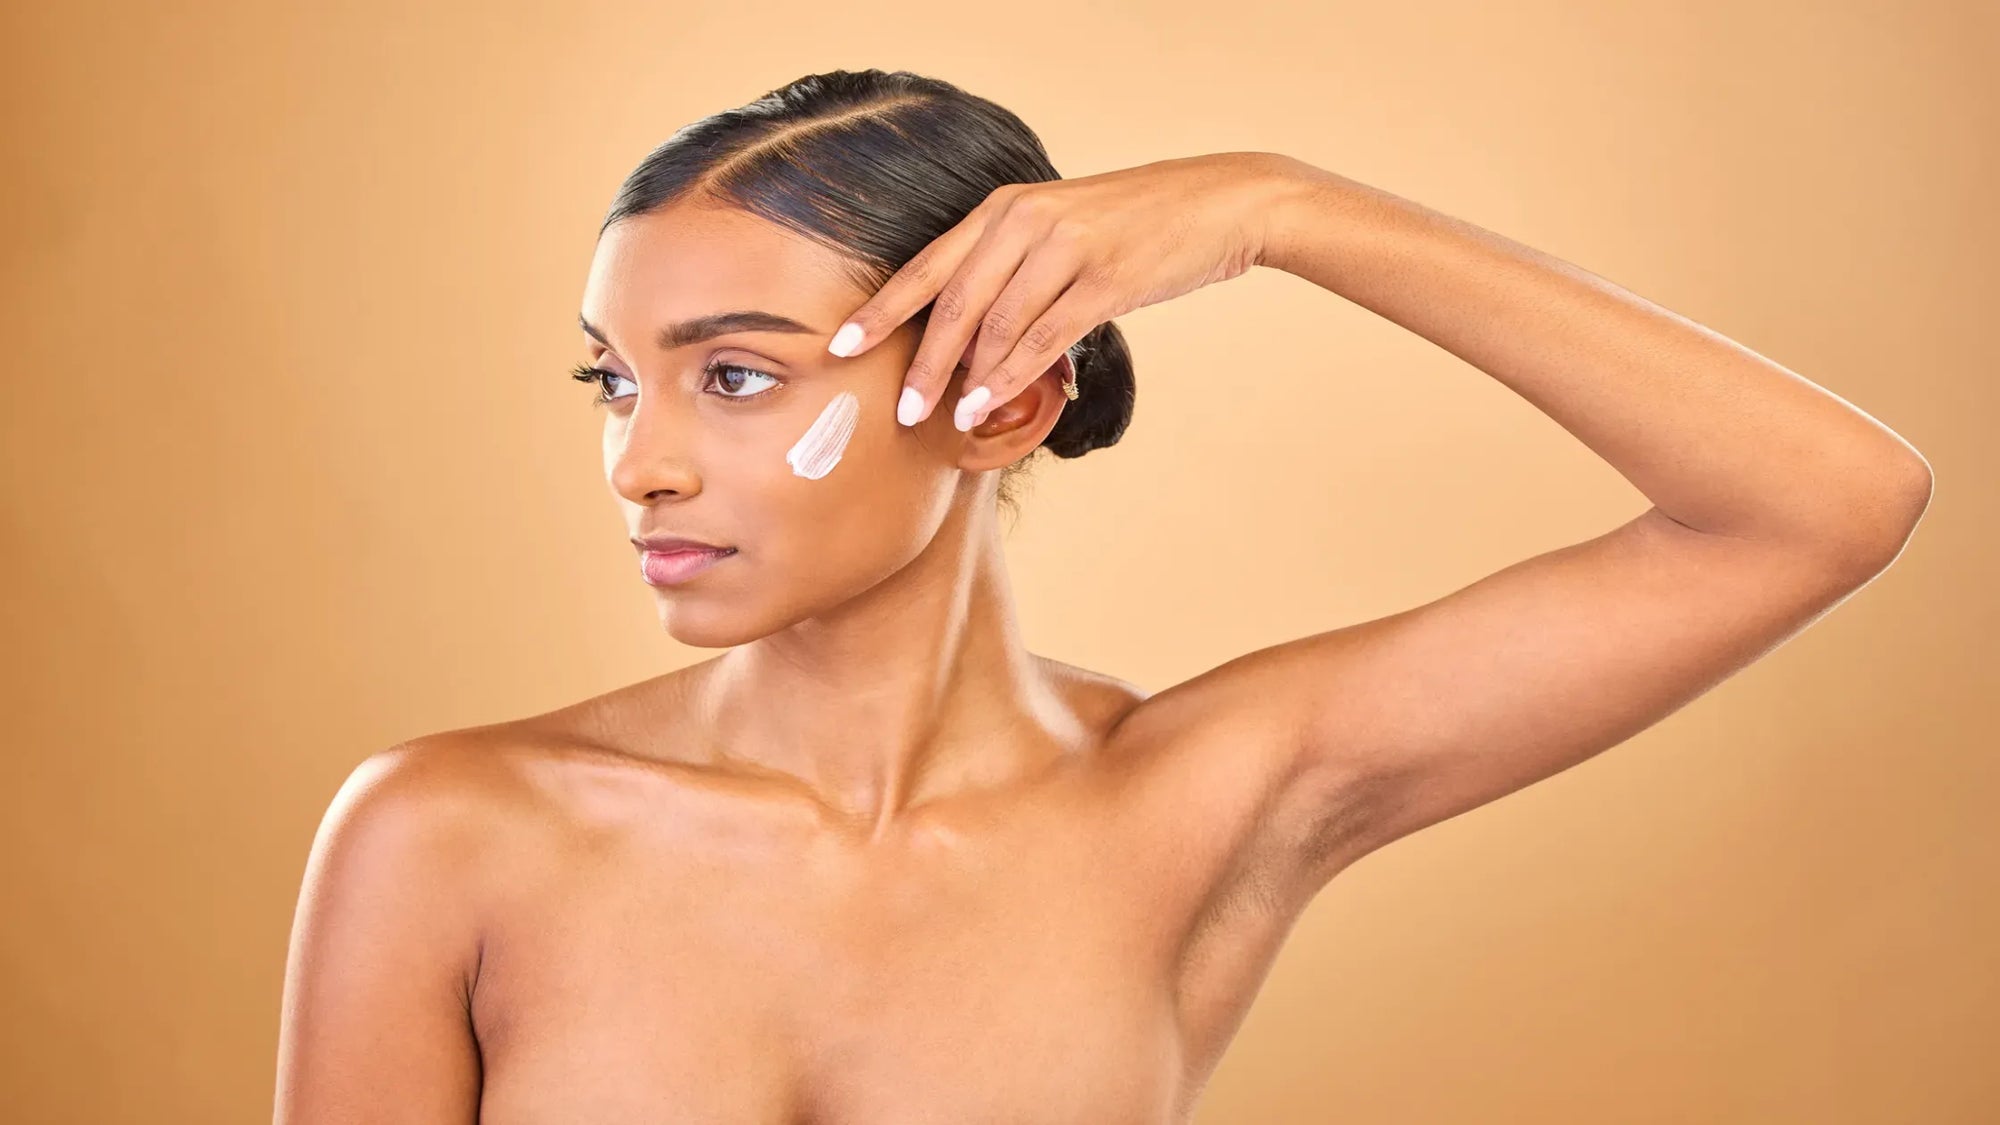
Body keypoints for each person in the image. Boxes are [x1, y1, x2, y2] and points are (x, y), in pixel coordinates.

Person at [273, 68, 1932, 1123]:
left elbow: (1823, 507)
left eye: (734, 377)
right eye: (614, 383)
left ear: (1003, 395)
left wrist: (1285, 208)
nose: (638, 464)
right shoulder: (450, 831)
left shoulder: (1206, 799)